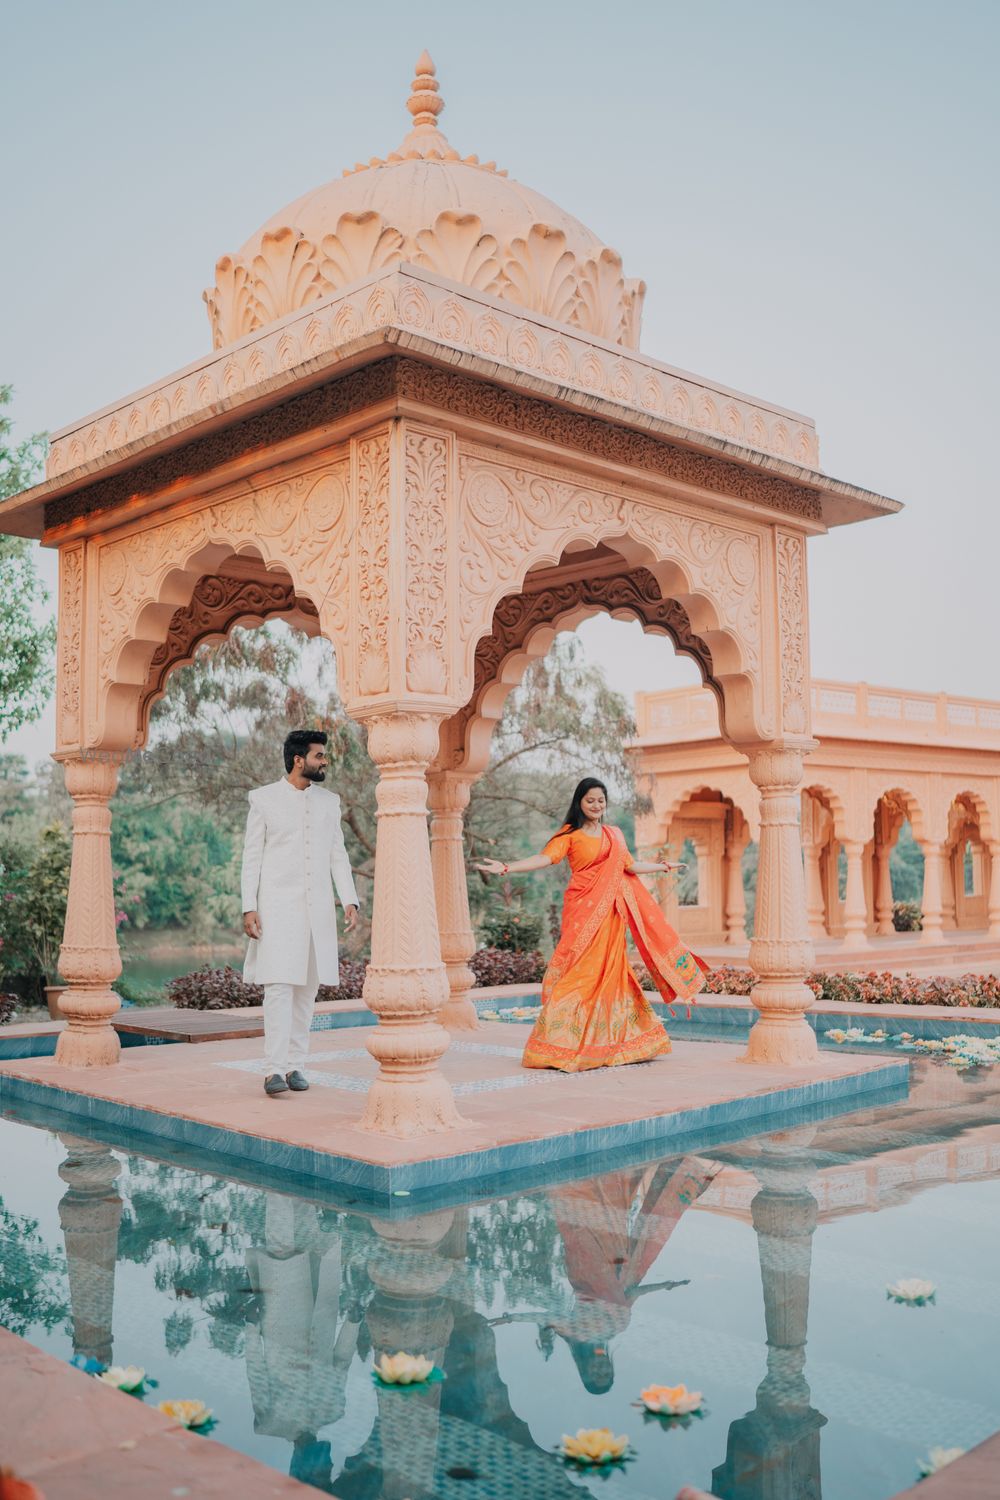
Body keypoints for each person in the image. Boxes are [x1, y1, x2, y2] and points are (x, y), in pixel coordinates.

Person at [477, 776, 707, 1072]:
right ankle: (558, 1045)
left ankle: (617, 1045)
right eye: (590, 801)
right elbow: (544, 859)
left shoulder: (614, 835)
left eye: (601, 800)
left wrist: (663, 866)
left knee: (611, 976)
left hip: (611, 916)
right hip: (582, 913)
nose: (597, 805)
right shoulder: (569, 836)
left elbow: (631, 866)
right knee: (577, 976)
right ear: (580, 803)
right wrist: (508, 867)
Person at [241, 729, 360, 1096]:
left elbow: (337, 854)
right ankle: (273, 1070)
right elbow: (252, 858)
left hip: (317, 910)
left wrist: (349, 899)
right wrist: (249, 906)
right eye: (319, 756)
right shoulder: (263, 800)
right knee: (278, 988)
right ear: (299, 760)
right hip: (276, 909)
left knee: (307, 989)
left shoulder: (330, 801)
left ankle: (296, 1066)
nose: (325, 762)